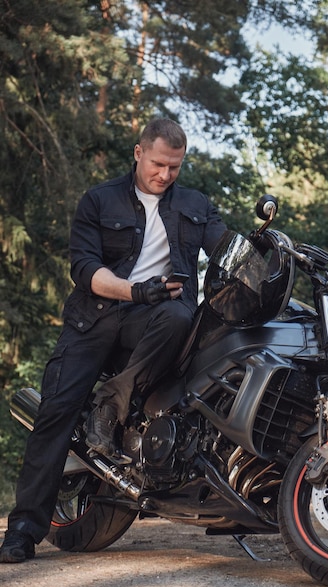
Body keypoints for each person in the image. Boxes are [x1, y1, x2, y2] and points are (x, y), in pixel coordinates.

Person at [0, 118, 227, 563]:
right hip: (95, 320)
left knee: (183, 316)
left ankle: (112, 403)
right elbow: (84, 269)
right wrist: (135, 289)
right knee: (57, 412)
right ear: (139, 152)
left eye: (175, 168)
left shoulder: (197, 205)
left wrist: (274, 255)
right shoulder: (99, 200)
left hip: (157, 321)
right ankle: (22, 532)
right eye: (159, 163)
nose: (165, 175)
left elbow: (228, 250)